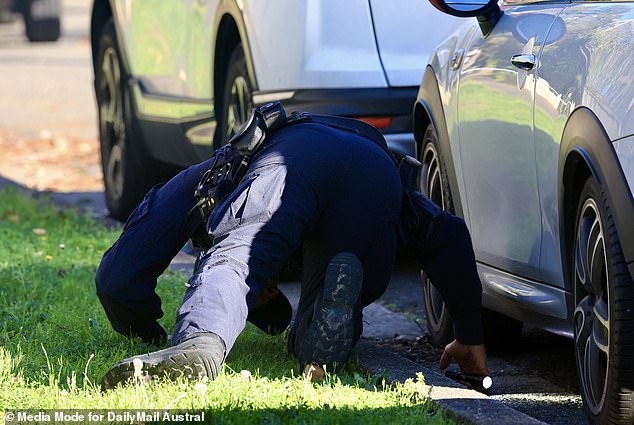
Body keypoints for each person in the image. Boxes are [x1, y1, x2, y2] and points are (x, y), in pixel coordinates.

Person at [95, 103, 488, 390]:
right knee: (336, 278)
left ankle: (202, 343)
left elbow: (118, 279)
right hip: (375, 170)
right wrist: (470, 336)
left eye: (260, 294)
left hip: (290, 159)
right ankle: (320, 331)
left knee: (237, 253)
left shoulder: (214, 176)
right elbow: (449, 234)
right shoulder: (223, 174)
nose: (265, 291)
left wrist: (144, 331)